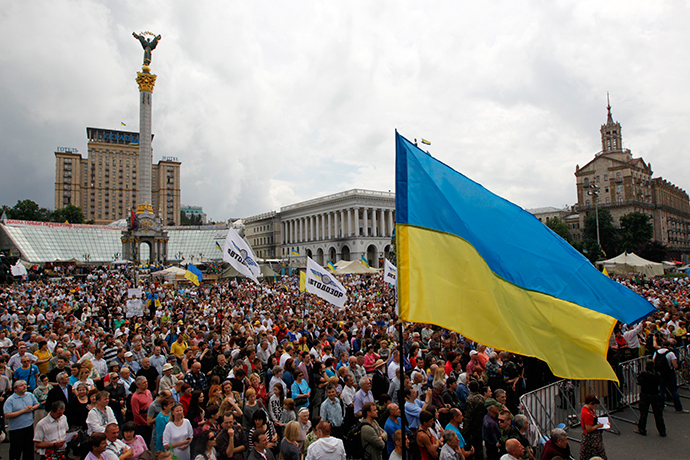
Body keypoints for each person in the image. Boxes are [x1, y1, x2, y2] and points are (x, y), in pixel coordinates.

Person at [4, 380, 41, 460]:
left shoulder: (30, 395)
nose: (24, 386)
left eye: (25, 385)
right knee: (16, 450)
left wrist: (33, 408)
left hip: (29, 426)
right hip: (16, 429)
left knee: (28, 449)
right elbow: (7, 415)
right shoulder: (10, 400)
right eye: (21, 385)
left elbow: (37, 404)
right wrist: (23, 411)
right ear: (15, 389)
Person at [653, 341, 689, 413]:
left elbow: (654, 362)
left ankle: (661, 405)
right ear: (669, 346)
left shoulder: (656, 352)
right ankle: (678, 408)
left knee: (661, 390)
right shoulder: (670, 353)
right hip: (669, 373)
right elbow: (675, 366)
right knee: (674, 390)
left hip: (661, 373)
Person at [634, 359, 666, 436]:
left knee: (643, 413)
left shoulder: (643, 374)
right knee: (658, 414)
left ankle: (642, 429)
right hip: (655, 395)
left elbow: (639, 381)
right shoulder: (657, 374)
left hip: (645, 394)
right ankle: (662, 431)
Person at [579, 394, 606, 460]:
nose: (596, 406)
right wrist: (598, 426)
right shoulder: (587, 414)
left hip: (594, 437)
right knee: (597, 454)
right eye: (595, 404)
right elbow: (589, 429)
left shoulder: (589, 409)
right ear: (591, 403)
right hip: (591, 439)